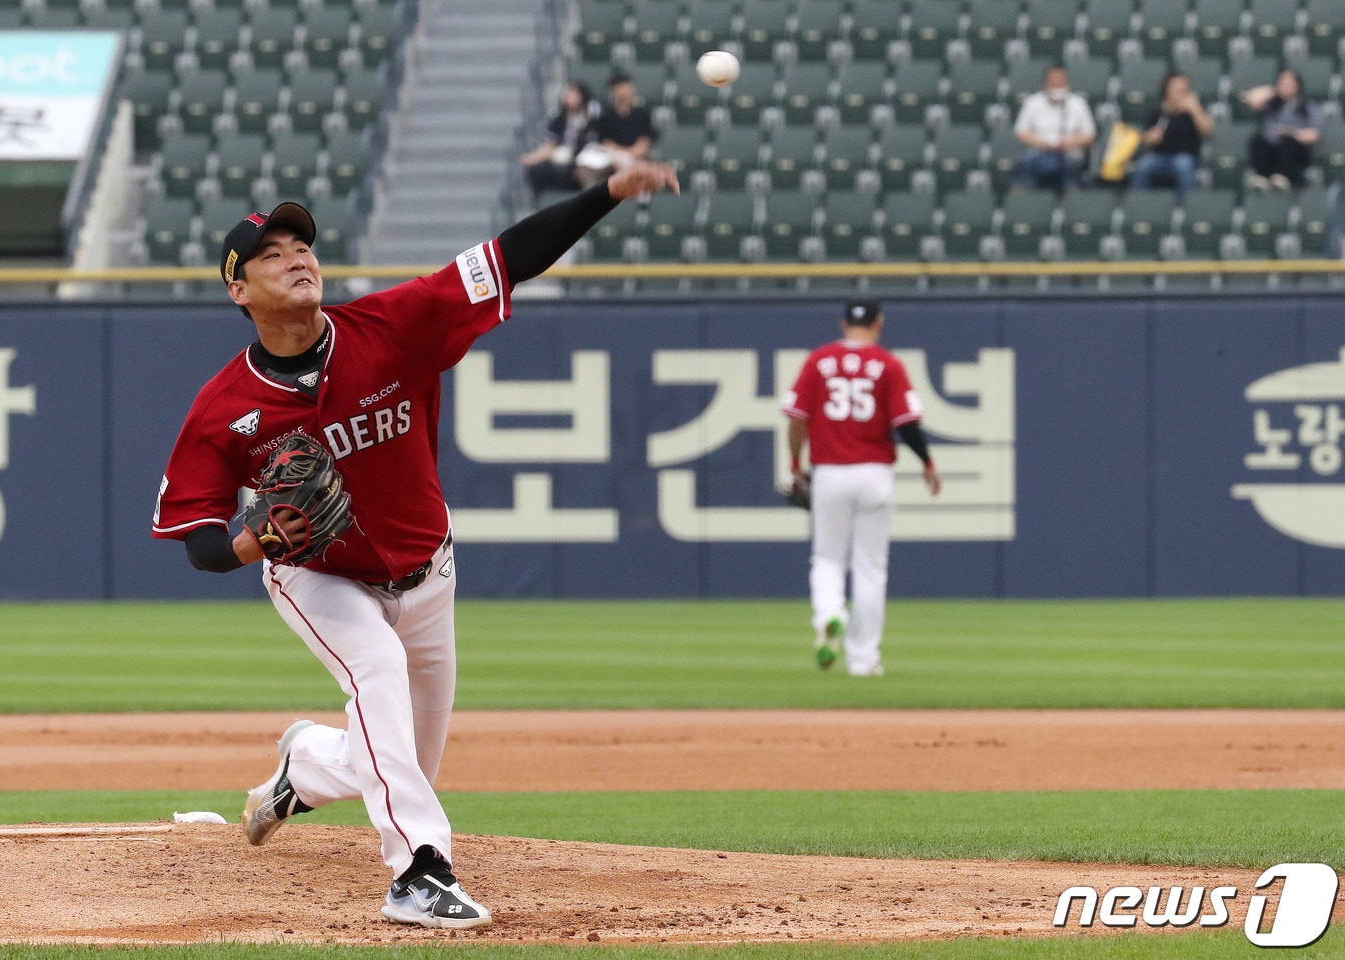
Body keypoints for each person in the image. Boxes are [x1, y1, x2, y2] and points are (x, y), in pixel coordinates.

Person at [151, 162, 680, 927]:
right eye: (271, 254)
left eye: (302, 244)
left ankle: (303, 767)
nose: (297, 257)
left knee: (401, 760)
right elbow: (198, 540)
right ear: (239, 291)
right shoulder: (223, 407)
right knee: (377, 669)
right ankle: (418, 873)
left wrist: (605, 195)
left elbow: (509, 257)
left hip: (429, 568)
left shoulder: (395, 323)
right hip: (318, 576)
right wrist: (252, 541)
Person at [781, 300, 941, 678]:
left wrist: (794, 463)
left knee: (827, 559)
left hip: (830, 472)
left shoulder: (819, 361)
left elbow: (796, 418)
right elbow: (907, 424)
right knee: (870, 569)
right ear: (878, 325)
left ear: (843, 324)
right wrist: (928, 463)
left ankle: (830, 614)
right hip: (875, 474)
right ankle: (864, 660)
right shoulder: (888, 364)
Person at [1128, 72, 1214, 200]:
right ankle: (1137, 204)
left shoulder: (1193, 110)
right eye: (1177, 89)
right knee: (1143, 165)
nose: (1181, 92)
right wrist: (1150, 138)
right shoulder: (1156, 110)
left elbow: (1208, 131)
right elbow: (1142, 137)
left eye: (1184, 89)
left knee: (1183, 166)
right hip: (1159, 156)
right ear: (1167, 90)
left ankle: (1186, 207)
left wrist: (1195, 110)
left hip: (1185, 155)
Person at [1011, 65, 1097, 191]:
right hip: (1039, 151)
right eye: (1053, 82)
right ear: (1046, 83)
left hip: (1069, 153)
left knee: (1072, 168)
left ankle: (1071, 202)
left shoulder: (1078, 104)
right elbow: (1021, 132)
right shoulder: (1032, 103)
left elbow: (1089, 135)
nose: (1057, 85)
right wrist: (1040, 142)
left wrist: (1069, 142)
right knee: (1023, 166)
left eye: (1060, 82)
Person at [1243, 68, 1322, 190]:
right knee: (1257, 140)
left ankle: (1281, 178)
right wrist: (1276, 90)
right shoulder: (1272, 104)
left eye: (1289, 83)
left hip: (1293, 154)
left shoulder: (1307, 107)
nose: (1286, 86)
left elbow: (1315, 135)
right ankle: (1261, 178)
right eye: (1282, 83)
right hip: (1271, 150)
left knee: (1288, 141)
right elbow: (1252, 98)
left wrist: (1291, 133)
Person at [519, 80, 601, 196]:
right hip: (561, 156)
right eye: (568, 92)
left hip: (583, 158)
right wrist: (534, 157)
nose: (567, 96)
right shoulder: (559, 120)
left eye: (573, 93)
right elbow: (550, 143)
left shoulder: (592, 118)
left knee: (569, 171)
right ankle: (543, 202)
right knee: (537, 170)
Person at [575, 71, 656, 187]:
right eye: (621, 87)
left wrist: (626, 154)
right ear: (613, 90)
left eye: (628, 86)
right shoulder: (605, 115)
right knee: (585, 170)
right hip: (610, 157)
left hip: (634, 157)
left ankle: (626, 202)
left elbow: (642, 146)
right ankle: (592, 202)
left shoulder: (642, 114)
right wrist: (617, 154)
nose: (626, 91)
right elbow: (607, 144)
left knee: (629, 166)